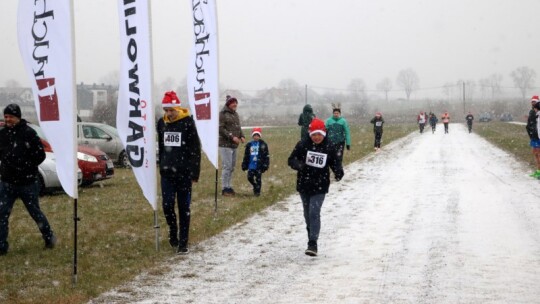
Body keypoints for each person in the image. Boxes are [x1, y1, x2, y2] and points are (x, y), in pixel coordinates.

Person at [0, 104, 56, 255]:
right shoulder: (2, 134)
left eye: (10, 116)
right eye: (5, 117)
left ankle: (49, 238)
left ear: (18, 117)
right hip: (7, 183)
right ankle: (1, 246)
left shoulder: (29, 133)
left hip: (27, 183)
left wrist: (26, 167)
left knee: (35, 212)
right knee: (2, 214)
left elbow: (40, 155)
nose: (7, 119)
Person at [288, 118, 344, 257]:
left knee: (314, 212)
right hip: (304, 184)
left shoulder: (329, 146)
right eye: (314, 134)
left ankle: (313, 243)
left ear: (324, 134)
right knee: (307, 214)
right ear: (310, 134)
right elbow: (291, 159)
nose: (316, 137)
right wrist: (299, 165)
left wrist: (338, 172)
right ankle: (311, 236)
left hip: (320, 185)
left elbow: (335, 162)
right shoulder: (302, 144)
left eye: (319, 134)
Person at [157, 91, 201, 254]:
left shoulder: (188, 122)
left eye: (171, 110)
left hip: (184, 174)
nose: (169, 113)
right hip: (167, 174)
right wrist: (162, 164)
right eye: (166, 110)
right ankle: (173, 230)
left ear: (178, 108)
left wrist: (194, 173)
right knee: (167, 205)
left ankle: (183, 242)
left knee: (184, 208)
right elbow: (161, 147)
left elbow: (195, 148)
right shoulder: (161, 123)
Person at [219, 95, 245, 196]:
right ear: (228, 104)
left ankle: (229, 186)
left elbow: (238, 127)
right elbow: (221, 128)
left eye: (236, 102)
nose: (235, 104)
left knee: (232, 167)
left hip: (234, 145)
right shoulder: (222, 114)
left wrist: (241, 136)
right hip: (225, 144)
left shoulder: (236, 114)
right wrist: (232, 137)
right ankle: (225, 188)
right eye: (233, 103)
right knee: (227, 166)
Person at [241, 127, 270, 196]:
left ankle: (257, 193)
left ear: (260, 136)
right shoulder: (249, 145)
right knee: (249, 177)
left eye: (257, 135)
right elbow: (246, 156)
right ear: (252, 136)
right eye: (255, 135)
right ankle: (255, 185)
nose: (256, 137)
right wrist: (244, 164)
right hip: (251, 165)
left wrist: (266, 164)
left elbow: (266, 156)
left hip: (259, 165)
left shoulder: (263, 144)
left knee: (258, 179)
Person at [526, 96, 540, 178]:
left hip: (538, 136)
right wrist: (530, 133)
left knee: (538, 154)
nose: (533, 103)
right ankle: (538, 171)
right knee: (535, 153)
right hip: (533, 136)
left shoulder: (538, 112)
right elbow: (529, 124)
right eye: (532, 101)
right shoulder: (531, 111)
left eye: (534, 101)